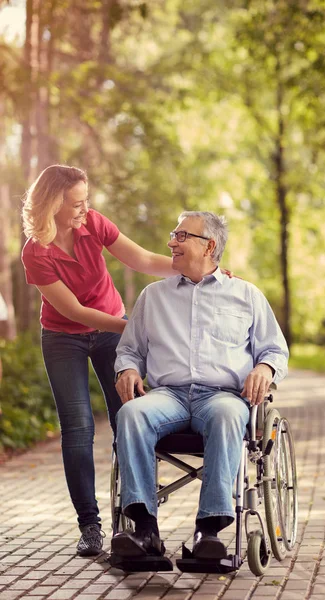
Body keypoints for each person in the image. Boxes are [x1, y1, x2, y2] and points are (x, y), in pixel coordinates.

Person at [112, 211, 289, 561]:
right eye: (172, 234)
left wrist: (265, 367)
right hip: (168, 396)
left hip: (223, 396)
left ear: (209, 246)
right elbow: (129, 350)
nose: (171, 243)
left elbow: (274, 349)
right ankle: (145, 532)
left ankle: (208, 532)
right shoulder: (153, 297)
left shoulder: (246, 295)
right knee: (131, 414)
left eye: (180, 236)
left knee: (226, 416)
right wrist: (128, 369)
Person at [21, 164, 176, 557]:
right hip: (63, 336)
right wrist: (133, 326)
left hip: (111, 329)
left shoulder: (93, 223)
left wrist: (191, 266)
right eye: (75, 203)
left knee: (131, 416)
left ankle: (137, 511)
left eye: (86, 200)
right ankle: (89, 526)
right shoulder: (35, 251)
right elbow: (73, 311)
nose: (83, 209)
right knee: (78, 428)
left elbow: (140, 259)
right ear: (52, 204)